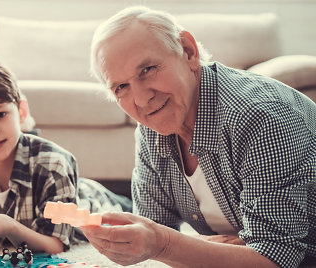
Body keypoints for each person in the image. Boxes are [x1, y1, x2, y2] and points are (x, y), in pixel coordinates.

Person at [80, 5, 316, 268]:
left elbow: (274, 259)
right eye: (121, 86)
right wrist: (188, 246)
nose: (142, 99)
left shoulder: (259, 117)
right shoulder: (151, 128)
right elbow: (153, 228)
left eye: (147, 69)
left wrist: (166, 244)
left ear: (188, 52)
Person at [0, 56, 131, 254]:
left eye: (0, 115)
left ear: (21, 111)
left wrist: (8, 225)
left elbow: (55, 245)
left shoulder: (53, 163)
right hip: (58, 190)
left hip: (96, 202)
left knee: (141, 216)